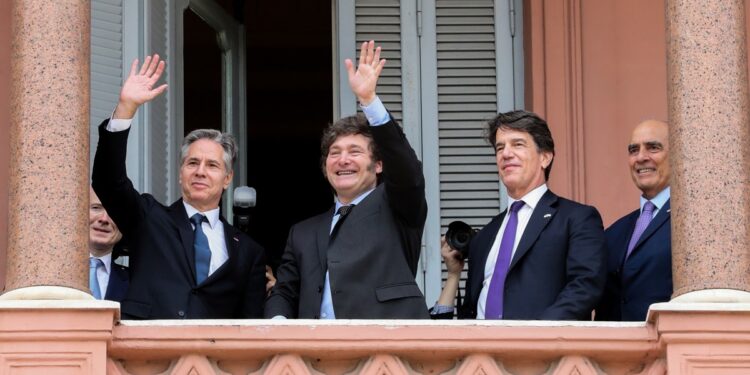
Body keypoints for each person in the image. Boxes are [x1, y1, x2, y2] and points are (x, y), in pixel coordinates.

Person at [92, 55, 266, 319]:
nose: (200, 171)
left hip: (211, 358)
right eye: (192, 162)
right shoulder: (149, 219)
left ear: (227, 178)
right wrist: (126, 109)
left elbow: (250, 322)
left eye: (212, 165)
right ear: (180, 172)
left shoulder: (248, 251)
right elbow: (108, 181)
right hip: (147, 353)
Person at [264, 41, 429, 319]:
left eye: (354, 152)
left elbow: (407, 171)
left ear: (378, 165)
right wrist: (278, 323)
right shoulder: (302, 233)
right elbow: (284, 292)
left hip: (387, 348)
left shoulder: (398, 206)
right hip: (316, 354)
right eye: (334, 153)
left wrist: (370, 102)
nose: (343, 160)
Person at [433, 110, 606, 320]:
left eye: (518, 144)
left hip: (542, 349)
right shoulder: (486, 235)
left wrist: (535, 337)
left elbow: (585, 287)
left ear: (545, 157)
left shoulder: (576, 219)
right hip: (482, 350)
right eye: (500, 147)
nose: (506, 154)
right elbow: (470, 310)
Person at [595, 120, 672, 321]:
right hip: (616, 348)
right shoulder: (614, 233)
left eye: (653, 148)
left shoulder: (693, 222)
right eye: (633, 150)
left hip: (671, 346)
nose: (641, 157)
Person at [89, 187, 128, 302]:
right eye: (96, 208)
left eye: (114, 211)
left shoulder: (137, 284)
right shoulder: (51, 274)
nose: (104, 219)